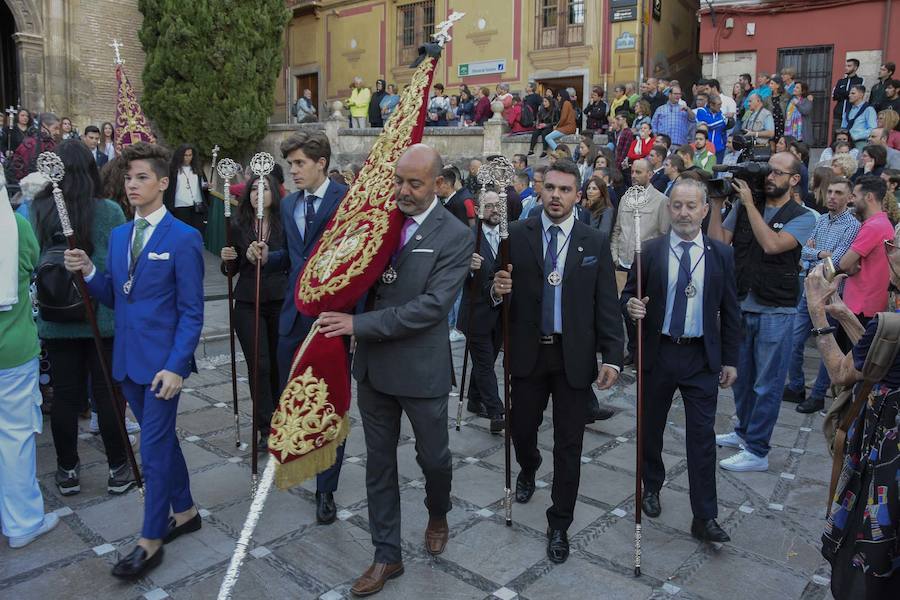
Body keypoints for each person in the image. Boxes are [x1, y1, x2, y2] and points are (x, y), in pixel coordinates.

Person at [315, 145, 472, 596]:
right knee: (378, 466)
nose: (402, 191)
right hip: (375, 370)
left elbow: (431, 308)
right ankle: (387, 556)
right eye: (398, 181)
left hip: (422, 373)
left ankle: (438, 510)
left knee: (435, 460)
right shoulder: (378, 225)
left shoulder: (455, 236)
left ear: (439, 185)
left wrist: (357, 324)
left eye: (414, 184)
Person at [63, 142, 204, 578]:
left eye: (142, 177)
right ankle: (185, 511)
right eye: (128, 178)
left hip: (163, 366)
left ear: (163, 183)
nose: (132, 184)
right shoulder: (121, 234)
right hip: (126, 361)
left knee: (154, 449)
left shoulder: (184, 237)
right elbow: (115, 296)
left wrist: (177, 366)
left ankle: (150, 538)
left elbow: (192, 312)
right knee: (162, 442)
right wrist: (88, 271)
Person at [491, 159, 622, 564]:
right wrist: (497, 289)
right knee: (521, 429)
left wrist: (613, 357)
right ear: (539, 189)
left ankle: (559, 521)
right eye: (549, 187)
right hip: (528, 353)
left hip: (573, 357)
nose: (555, 196)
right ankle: (528, 468)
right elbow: (495, 291)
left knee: (570, 442)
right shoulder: (516, 234)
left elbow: (606, 303)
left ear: (578, 196)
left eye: (565, 190)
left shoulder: (593, 242)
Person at [623, 178, 740, 544]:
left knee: (702, 437)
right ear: (668, 209)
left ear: (705, 210)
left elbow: (731, 311)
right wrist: (631, 307)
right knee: (651, 427)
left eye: (692, 206)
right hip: (658, 352)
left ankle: (704, 516)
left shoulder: (721, 254)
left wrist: (731, 359)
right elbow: (628, 297)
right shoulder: (651, 251)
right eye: (677, 205)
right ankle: (652, 486)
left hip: (701, 357)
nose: (684, 212)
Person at [249, 130, 349, 524]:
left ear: (321, 163)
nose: (292, 171)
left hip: (330, 320)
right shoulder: (289, 205)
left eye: (299, 163)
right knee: (290, 396)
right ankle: (292, 457)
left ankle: (327, 490)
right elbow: (293, 259)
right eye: (289, 164)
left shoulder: (347, 202)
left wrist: (352, 317)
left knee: (330, 403)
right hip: (292, 317)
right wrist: (265, 257)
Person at [30, 139, 135, 498]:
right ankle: (119, 467)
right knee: (107, 393)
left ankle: (67, 469)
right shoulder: (107, 211)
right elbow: (118, 264)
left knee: (65, 396)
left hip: (56, 315)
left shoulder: (38, 208)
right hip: (99, 316)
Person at [711, 152, 817, 472]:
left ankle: (757, 450)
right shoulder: (744, 206)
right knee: (741, 380)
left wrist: (749, 206)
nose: (769, 176)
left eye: (777, 172)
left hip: (777, 310)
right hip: (742, 303)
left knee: (767, 385)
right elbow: (718, 243)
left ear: (794, 179)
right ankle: (744, 432)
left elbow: (772, 244)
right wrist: (717, 202)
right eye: (767, 171)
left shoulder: (804, 215)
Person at [804, 256, 900, 599]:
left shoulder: (892, 321)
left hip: (884, 466)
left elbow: (843, 373)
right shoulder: (888, 323)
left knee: (868, 554)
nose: (889, 250)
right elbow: (879, 359)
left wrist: (818, 313)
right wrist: (843, 313)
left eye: (895, 244)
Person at [0, 195, 60, 549]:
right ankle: (22, 520)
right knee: (16, 436)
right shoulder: (17, 227)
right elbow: (30, 266)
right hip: (12, 348)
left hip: (15, 350)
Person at [782, 178, 860, 413]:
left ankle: (817, 395)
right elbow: (803, 251)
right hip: (810, 288)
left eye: (838, 193)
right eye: (830, 192)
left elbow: (836, 262)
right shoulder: (821, 219)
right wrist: (820, 253)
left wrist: (816, 253)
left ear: (849, 198)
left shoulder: (852, 226)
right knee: (794, 340)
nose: (832, 196)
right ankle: (796, 387)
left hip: (830, 292)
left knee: (826, 342)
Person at [219, 173, 285, 450]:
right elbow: (229, 271)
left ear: (275, 193)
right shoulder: (238, 224)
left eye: (265, 188)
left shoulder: (285, 224)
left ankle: (282, 421)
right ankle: (264, 426)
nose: (259, 193)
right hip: (248, 301)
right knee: (259, 364)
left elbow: (293, 259)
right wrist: (229, 259)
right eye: (254, 188)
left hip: (280, 300)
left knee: (279, 365)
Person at [611, 159, 671, 364]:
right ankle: (633, 349)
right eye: (632, 171)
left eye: (639, 172)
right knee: (624, 308)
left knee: (643, 310)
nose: (634, 175)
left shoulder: (661, 200)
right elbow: (618, 229)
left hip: (646, 266)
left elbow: (664, 233)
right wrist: (615, 255)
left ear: (650, 174)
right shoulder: (626, 198)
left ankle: (644, 351)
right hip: (624, 263)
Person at [457, 191, 504, 432]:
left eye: (498, 205)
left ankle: (475, 399)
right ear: (477, 210)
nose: (495, 210)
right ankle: (496, 411)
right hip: (476, 313)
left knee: (486, 360)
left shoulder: (507, 235)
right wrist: (468, 268)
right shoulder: (468, 238)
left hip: (500, 313)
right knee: (485, 363)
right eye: (489, 206)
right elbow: (452, 274)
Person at [839, 176, 894, 329]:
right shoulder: (881, 223)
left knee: (848, 352)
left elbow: (844, 263)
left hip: (861, 305)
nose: (851, 200)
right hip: (867, 303)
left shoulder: (873, 227)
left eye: (855, 196)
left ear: (869, 197)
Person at [163, 144, 210, 235]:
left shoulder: (197, 168)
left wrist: (206, 186)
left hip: (197, 206)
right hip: (179, 207)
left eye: (190, 155)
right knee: (181, 233)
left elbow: (201, 185)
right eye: (185, 155)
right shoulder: (172, 170)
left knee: (196, 233)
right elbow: (168, 190)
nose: (187, 158)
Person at [13, 112, 60, 181]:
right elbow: (22, 171)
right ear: (44, 127)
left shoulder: (51, 143)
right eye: (55, 128)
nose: (58, 132)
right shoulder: (30, 144)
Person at [841, 85, 878, 149]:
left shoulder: (869, 109)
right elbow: (843, 127)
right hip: (847, 142)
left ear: (861, 95)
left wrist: (855, 136)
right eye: (849, 93)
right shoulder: (848, 110)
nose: (849, 95)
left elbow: (872, 129)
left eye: (853, 93)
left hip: (861, 142)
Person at [696, 94, 727, 163]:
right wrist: (724, 119)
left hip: (718, 150)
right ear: (711, 104)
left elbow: (723, 132)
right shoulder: (702, 111)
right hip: (704, 148)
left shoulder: (721, 114)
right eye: (718, 104)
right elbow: (710, 124)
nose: (720, 106)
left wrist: (724, 145)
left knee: (716, 171)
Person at [785, 81, 814, 146]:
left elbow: (805, 111)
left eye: (797, 88)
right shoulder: (791, 100)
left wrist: (797, 104)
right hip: (790, 132)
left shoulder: (807, 100)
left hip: (801, 133)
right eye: (794, 87)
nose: (794, 89)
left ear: (802, 91)